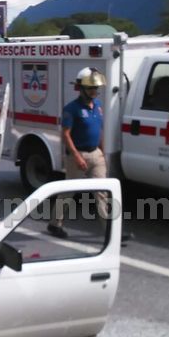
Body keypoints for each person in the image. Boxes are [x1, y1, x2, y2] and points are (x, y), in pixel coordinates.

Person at [47, 67, 107, 239]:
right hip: (77, 156)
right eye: (90, 88)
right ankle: (54, 224)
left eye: (95, 88)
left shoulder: (98, 106)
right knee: (68, 192)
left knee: (103, 193)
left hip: (96, 155)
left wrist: (103, 152)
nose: (94, 91)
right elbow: (65, 134)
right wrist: (77, 156)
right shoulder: (71, 109)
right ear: (80, 88)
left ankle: (111, 231)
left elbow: (99, 130)